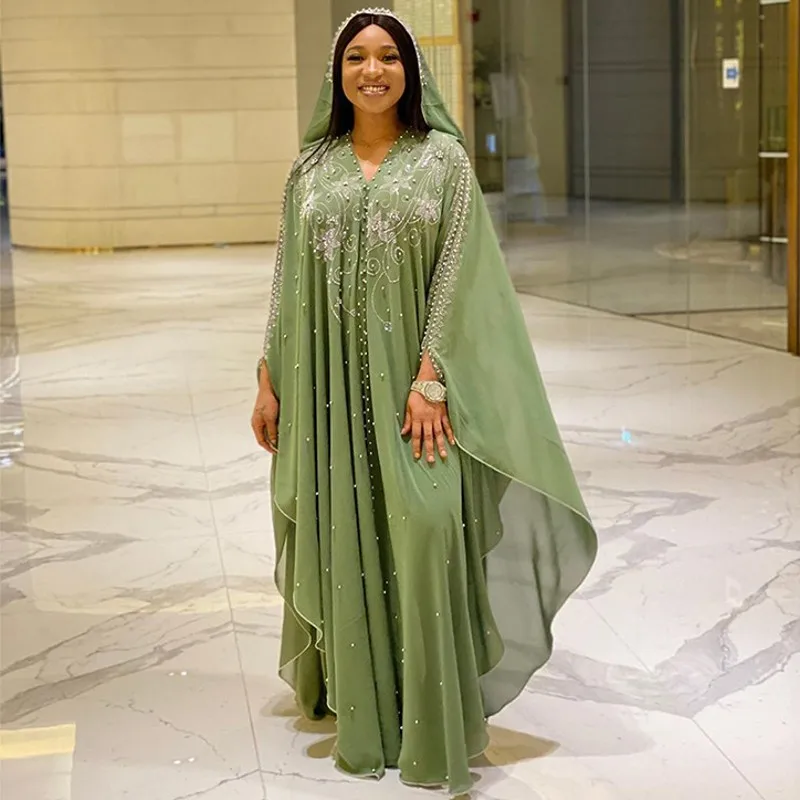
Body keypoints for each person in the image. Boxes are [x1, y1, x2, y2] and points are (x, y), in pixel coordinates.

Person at [251, 9, 597, 796]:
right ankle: (364, 707)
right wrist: (268, 376)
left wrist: (431, 375)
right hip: (327, 392)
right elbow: (285, 278)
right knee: (345, 529)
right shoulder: (311, 169)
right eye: (356, 57)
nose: (372, 71)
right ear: (338, 73)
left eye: (388, 57)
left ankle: (431, 716)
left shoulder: (442, 161)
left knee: (430, 524)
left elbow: (460, 274)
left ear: (411, 70)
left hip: (416, 391)